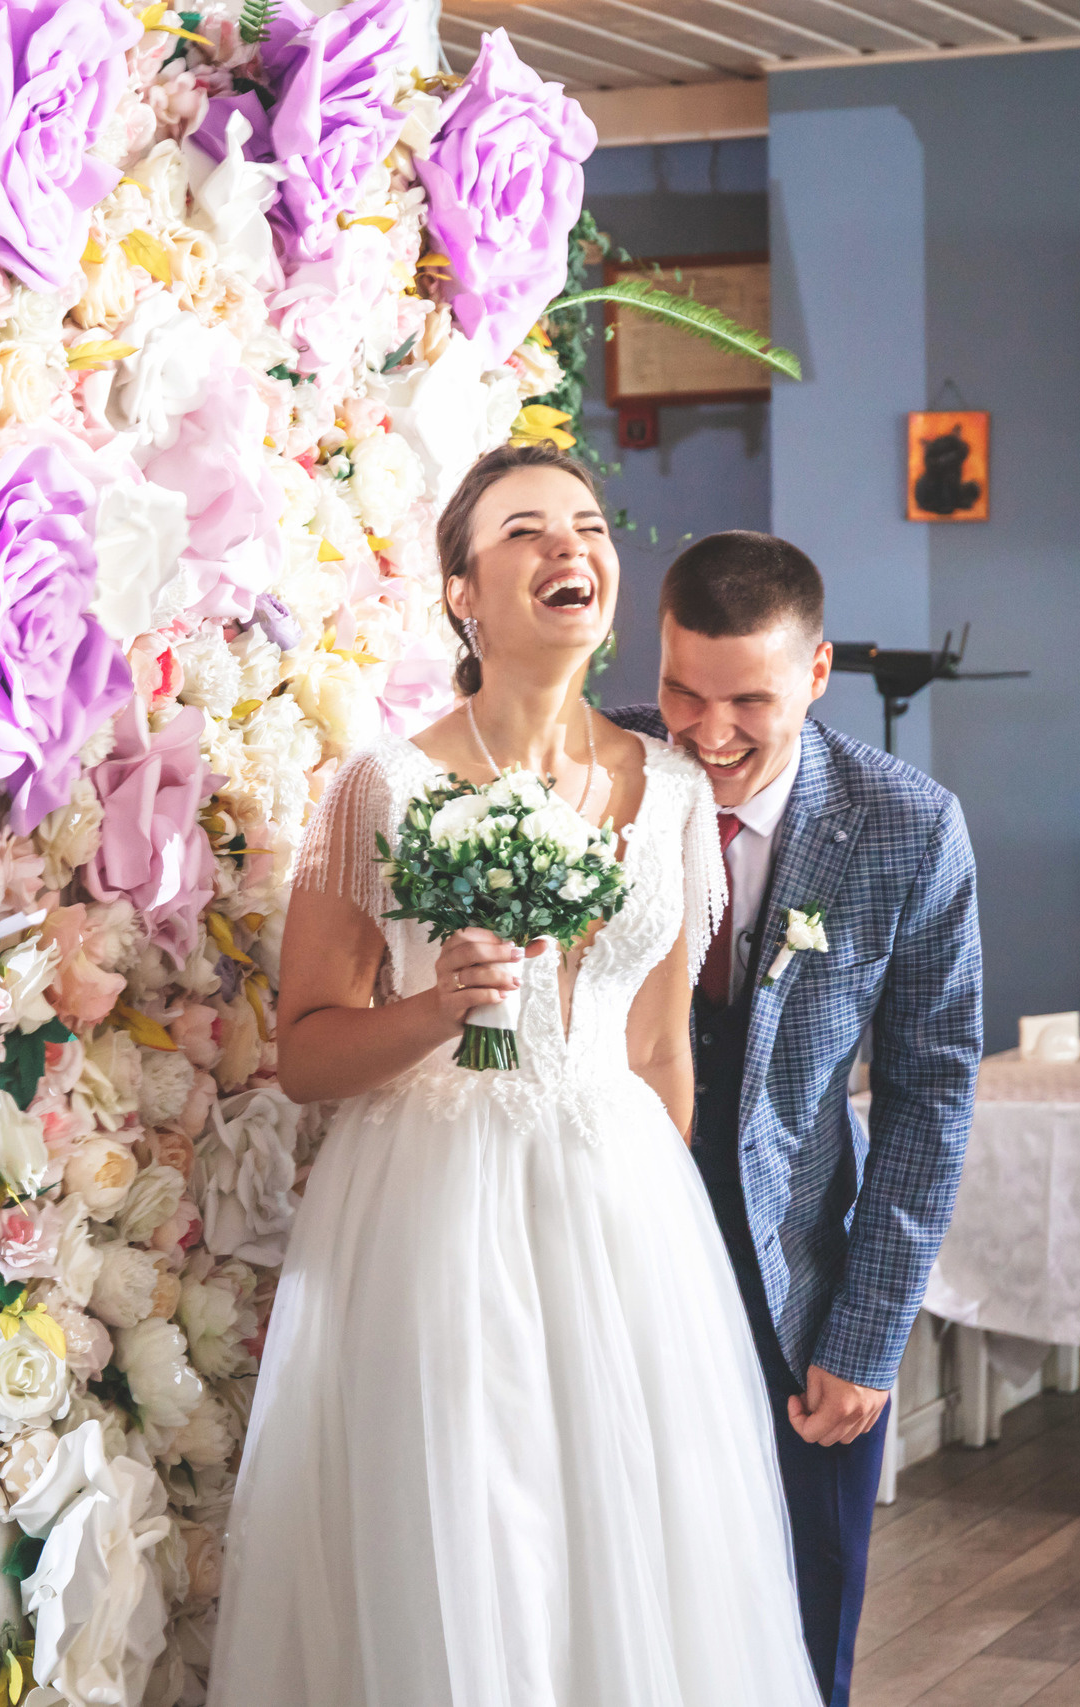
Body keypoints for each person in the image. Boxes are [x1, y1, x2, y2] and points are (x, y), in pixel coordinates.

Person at [210, 443, 823, 1706]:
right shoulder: (375, 788)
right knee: (473, 1528)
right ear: (460, 592)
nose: (571, 548)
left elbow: (657, 1050)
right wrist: (440, 1007)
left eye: (589, 527)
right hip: (436, 1206)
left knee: (633, 1543)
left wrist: (667, 1256)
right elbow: (306, 1050)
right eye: (525, 531)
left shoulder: (667, 791)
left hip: (623, 1215)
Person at [608, 530, 982, 1706]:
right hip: (605, 1252)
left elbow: (930, 1098)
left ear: (817, 675)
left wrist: (867, 1335)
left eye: (747, 703)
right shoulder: (591, 776)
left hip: (797, 1279)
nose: (706, 735)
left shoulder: (907, 827)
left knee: (803, 1612)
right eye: (680, 690)